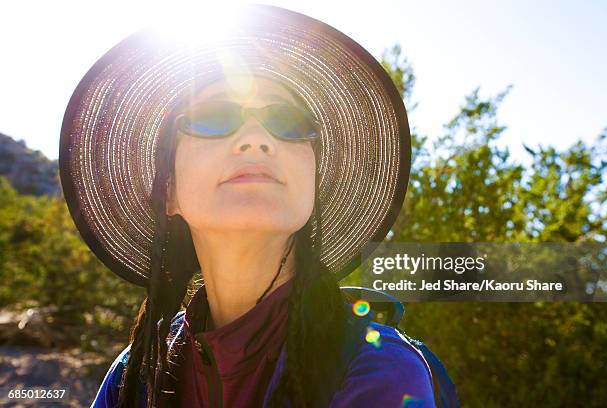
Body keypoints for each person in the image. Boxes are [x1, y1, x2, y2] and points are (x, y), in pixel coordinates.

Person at [59, 4, 439, 408]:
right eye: (215, 115)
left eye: (289, 121)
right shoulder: (134, 376)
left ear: (311, 184)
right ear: (168, 191)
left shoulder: (379, 370)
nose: (257, 138)